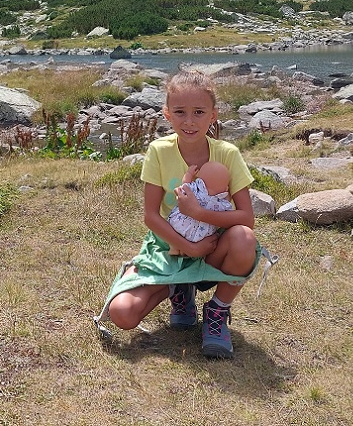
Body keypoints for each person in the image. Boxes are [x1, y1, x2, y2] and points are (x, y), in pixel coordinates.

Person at [94, 70, 271, 359]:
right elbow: (151, 217)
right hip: (170, 247)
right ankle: (179, 288)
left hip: (213, 247)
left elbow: (246, 218)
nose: (189, 121)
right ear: (167, 114)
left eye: (199, 112)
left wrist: (198, 212)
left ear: (213, 115)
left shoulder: (227, 153)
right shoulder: (158, 151)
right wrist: (189, 247)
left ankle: (217, 312)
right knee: (122, 314)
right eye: (180, 112)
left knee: (244, 239)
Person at [165, 160, 234, 256]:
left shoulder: (196, 190)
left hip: (181, 225)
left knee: (176, 233)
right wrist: (228, 194)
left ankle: (174, 248)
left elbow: (185, 185)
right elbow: (227, 208)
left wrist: (189, 174)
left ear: (200, 181)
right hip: (201, 236)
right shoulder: (220, 203)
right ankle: (187, 253)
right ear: (225, 188)